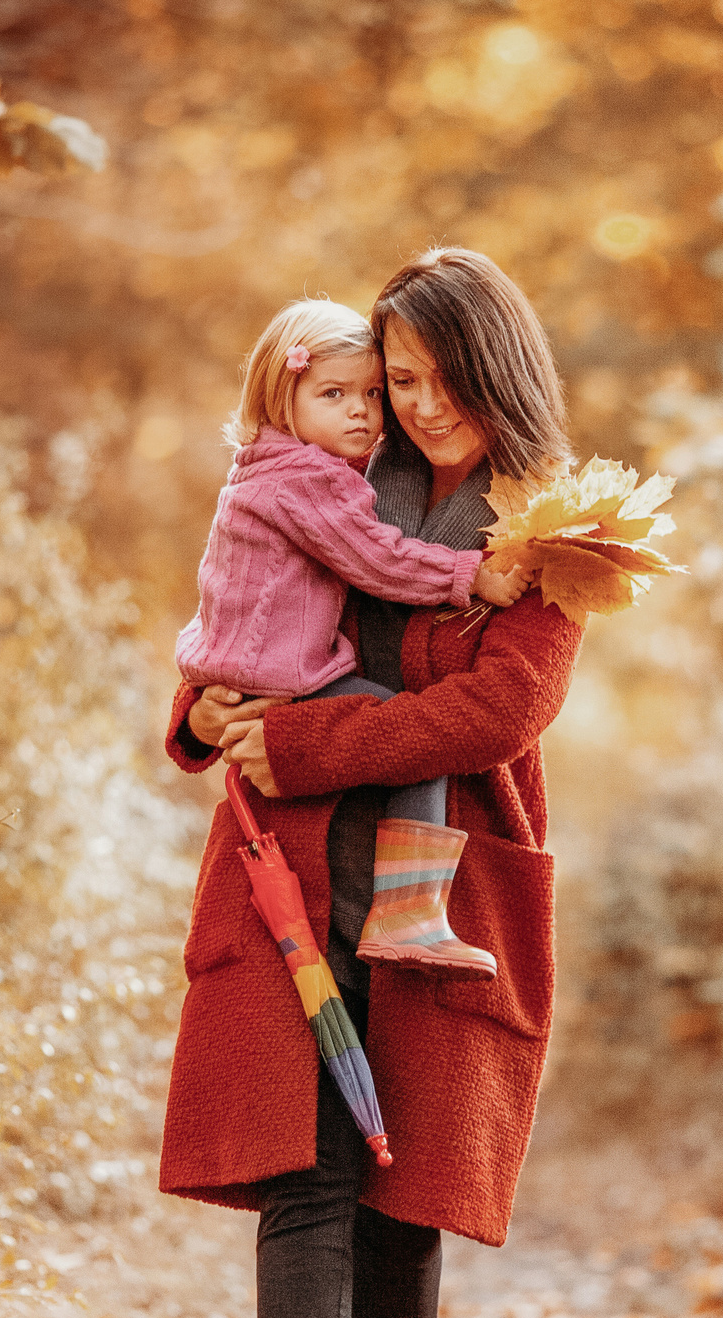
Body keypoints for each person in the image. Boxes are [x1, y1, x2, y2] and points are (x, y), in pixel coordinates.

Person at [161, 247, 581, 1318]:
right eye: (396, 376)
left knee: (404, 1202)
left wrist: (305, 740)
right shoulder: (336, 481)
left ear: (495, 367)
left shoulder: (552, 529)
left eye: (438, 373)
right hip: (292, 871)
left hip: (443, 887)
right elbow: (246, 610)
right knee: (309, 1173)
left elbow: (494, 714)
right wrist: (206, 712)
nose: (416, 398)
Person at [175, 297, 529, 978]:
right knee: (412, 745)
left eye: (370, 392)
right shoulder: (315, 478)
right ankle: (413, 909)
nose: (365, 411)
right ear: (284, 395)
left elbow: (502, 710)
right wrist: (471, 576)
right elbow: (378, 557)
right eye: (338, 393)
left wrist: (218, 695)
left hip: (262, 677)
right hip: (289, 694)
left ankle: (406, 909)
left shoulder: (267, 467)